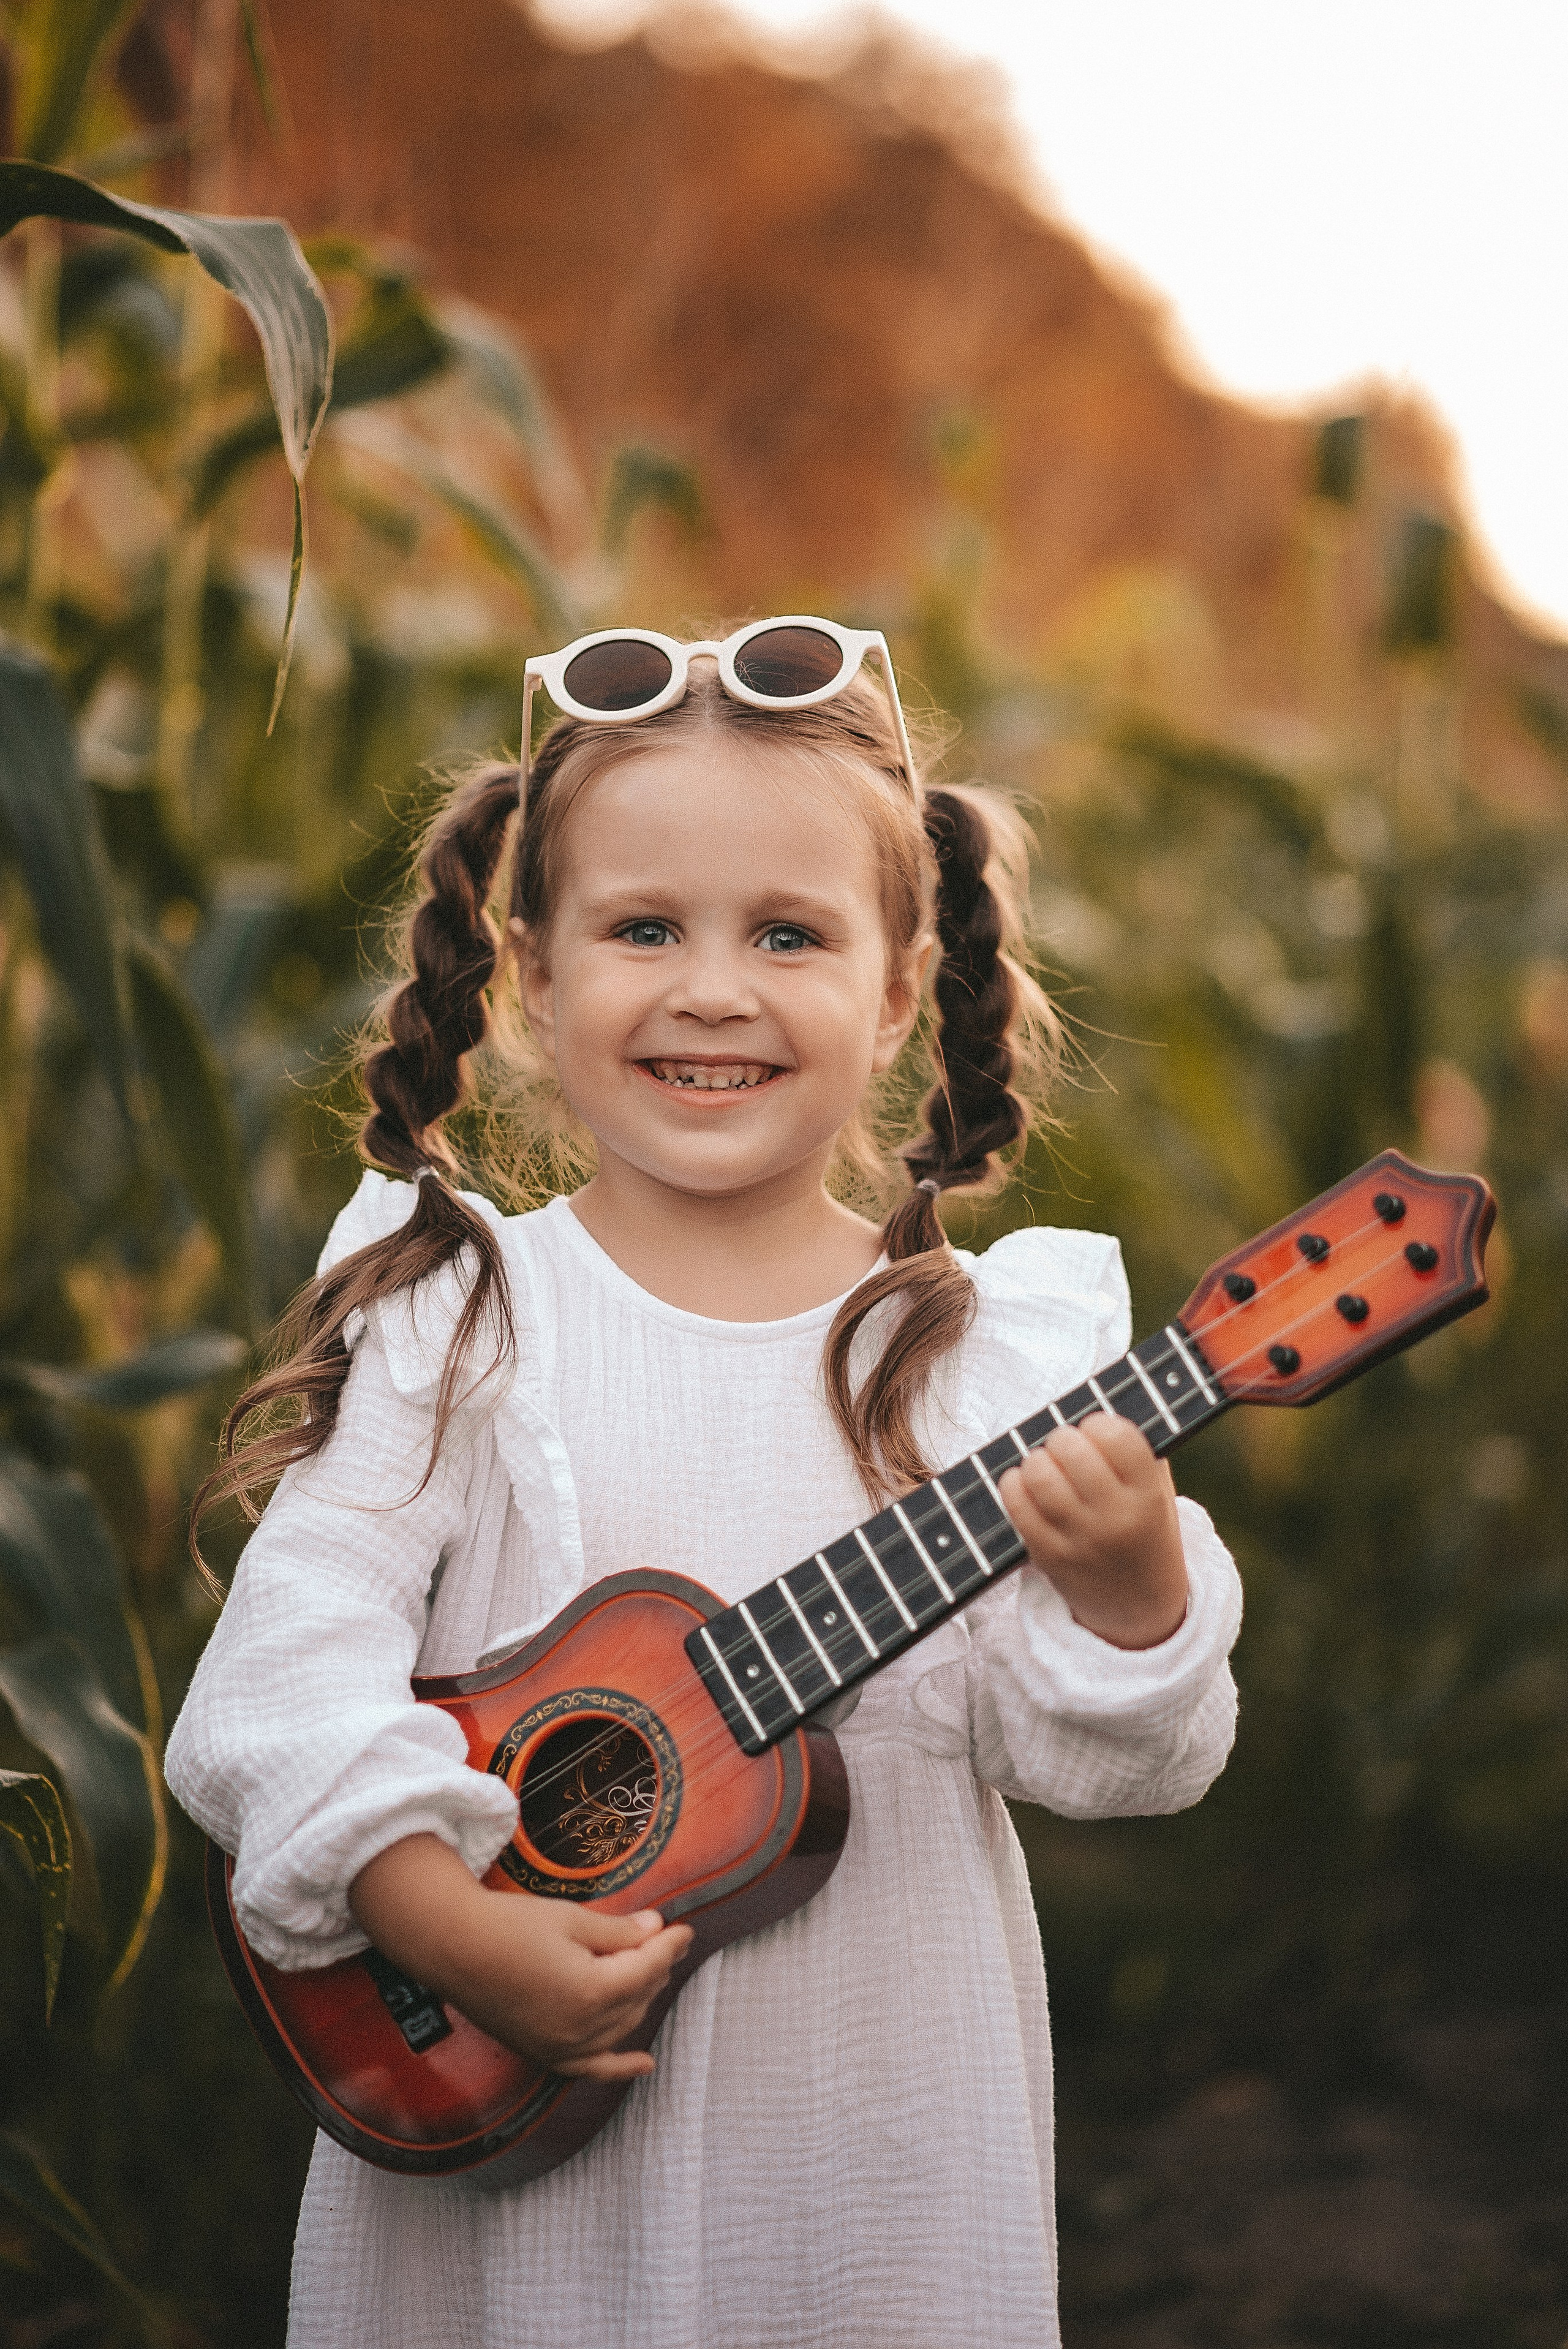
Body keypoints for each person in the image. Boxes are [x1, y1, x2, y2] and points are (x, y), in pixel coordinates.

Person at [165, 618, 1243, 2349]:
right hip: (507, 2158)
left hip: (864, 2134)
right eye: (644, 926)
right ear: (528, 974)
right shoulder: (464, 1312)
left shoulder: (977, 1359)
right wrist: (446, 1924)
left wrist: (1133, 1598)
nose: (712, 987)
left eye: (790, 933)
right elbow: (280, 1670)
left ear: (897, 984)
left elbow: (1115, 1761)